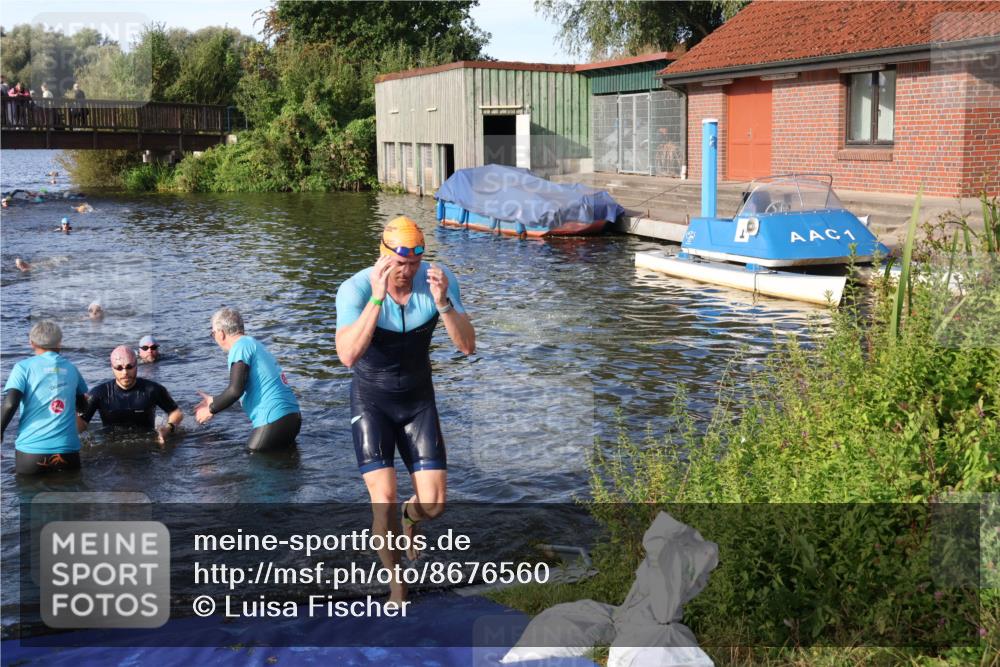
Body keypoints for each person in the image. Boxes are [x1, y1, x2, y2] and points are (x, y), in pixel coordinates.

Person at [335, 215, 475, 603]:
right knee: (384, 501)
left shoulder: (437, 280)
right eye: (400, 263)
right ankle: (398, 585)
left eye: (414, 263)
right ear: (383, 257)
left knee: (434, 505)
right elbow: (347, 355)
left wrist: (443, 303)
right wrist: (377, 298)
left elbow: (467, 346)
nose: (407, 272)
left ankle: (411, 521)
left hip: (417, 402)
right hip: (372, 402)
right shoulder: (355, 289)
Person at [195, 307, 301, 452]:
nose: (214, 338)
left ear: (221, 333)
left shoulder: (240, 347)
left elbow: (235, 390)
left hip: (273, 419)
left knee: (254, 458)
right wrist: (214, 400)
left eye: (212, 333)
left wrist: (210, 410)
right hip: (292, 417)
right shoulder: (253, 344)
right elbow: (246, 385)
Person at [1, 321, 89, 475]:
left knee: (28, 489)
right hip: (68, 452)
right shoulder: (72, 368)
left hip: (31, 453)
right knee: (69, 489)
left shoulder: (23, 367)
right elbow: (83, 406)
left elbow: (10, 404)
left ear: (31, 342)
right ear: (59, 343)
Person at [79, 346, 182, 445]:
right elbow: (81, 424)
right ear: (112, 368)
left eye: (129, 367)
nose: (125, 372)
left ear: (136, 365)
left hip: (147, 445)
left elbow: (176, 412)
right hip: (111, 446)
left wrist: (169, 427)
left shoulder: (152, 389)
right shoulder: (99, 393)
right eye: (119, 368)